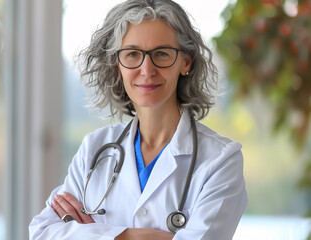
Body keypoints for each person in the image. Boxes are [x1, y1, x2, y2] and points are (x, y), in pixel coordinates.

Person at [29, 0, 248, 239]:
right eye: (132, 54)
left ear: (186, 62)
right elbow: (42, 232)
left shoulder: (220, 160)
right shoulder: (95, 148)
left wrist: (91, 232)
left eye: (161, 54)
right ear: (116, 65)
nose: (147, 69)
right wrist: (129, 236)